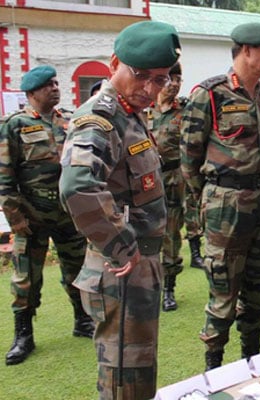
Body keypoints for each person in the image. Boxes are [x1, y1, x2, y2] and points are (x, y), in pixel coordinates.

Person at [58, 21, 180, 399]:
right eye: (140, 75)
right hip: (120, 271)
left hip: (136, 268)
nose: (149, 88)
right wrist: (121, 243)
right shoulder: (101, 118)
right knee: (124, 376)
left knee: (137, 369)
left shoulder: (129, 114)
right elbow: (77, 186)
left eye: (159, 80)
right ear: (115, 63)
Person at [180, 22, 260, 370]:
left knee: (258, 291)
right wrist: (209, 203)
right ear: (246, 50)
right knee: (223, 294)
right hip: (225, 205)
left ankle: (250, 363)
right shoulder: (209, 94)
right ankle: (214, 368)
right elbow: (189, 161)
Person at [0, 65, 91, 366]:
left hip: (68, 214)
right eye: (47, 85)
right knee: (26, 278)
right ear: (31, 92)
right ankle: (23, 336)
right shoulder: (15, 124)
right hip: (32, 216)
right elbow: (4, 176)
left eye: (56, 82)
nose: (55, 87)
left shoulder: (69, 120)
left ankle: (83, 321)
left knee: (77, 269)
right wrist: (16, 218)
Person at [143, 62, 187, 312]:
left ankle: (169, 287)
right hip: (145, 182)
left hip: (173, 179)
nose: (175, 84)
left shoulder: (185, 112)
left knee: (171, 233)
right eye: (170, 79)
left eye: (179, 79)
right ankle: (149, 285)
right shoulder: (142, 109)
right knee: (146, 234)